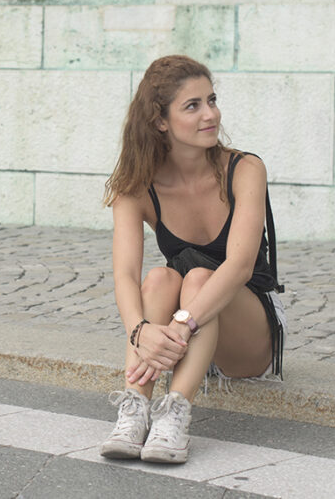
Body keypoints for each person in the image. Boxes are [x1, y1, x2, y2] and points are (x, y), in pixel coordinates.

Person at [98, 55, 285, 464]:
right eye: (193, 105)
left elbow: (238, 266)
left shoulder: (244, 168)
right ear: (160, 121)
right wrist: (140, 332)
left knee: (200, 277)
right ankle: (134, 406)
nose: (211, 114)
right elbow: (125, 275)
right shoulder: (135, 187)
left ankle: (175, 413)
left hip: (244, 332)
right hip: (185, 332)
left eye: (211, 100)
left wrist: (183, 324)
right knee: (159, 279)